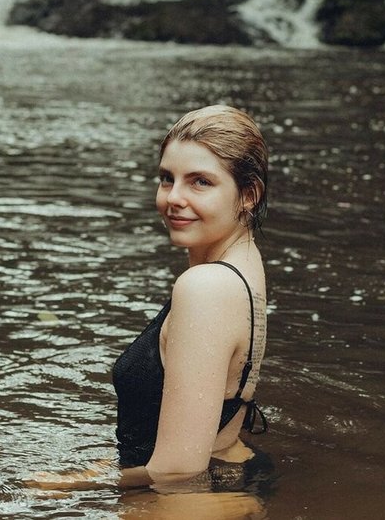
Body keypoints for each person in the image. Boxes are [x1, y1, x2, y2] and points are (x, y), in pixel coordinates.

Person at [26, 104, 270, 494]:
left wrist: (65, 486)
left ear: (248, 195)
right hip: (224, 482)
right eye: (167, 178)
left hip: (184, 504)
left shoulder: (207, 287)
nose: (174, 197)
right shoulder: (242, 265)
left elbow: (178, 470)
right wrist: (99, 469)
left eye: (200, 182)